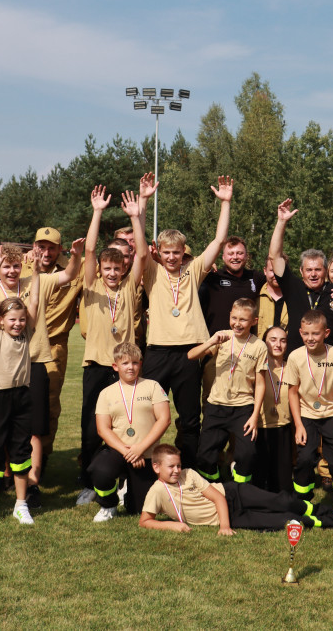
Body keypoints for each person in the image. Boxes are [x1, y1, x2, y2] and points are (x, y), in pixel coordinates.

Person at [0, 237, 83, 505]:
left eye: (16, 266)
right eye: (6, 266)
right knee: (3, 425)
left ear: (22, 267)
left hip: (35, 361)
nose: (11, 271)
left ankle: (32, 482)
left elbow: (70, 274)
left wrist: (75, 254)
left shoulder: (34, 282)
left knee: (34, 427)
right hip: (3, 369)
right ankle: (7, 476)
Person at [140, 175, 233, 467]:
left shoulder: (193, 271)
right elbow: (141, 248)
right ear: (160, 252)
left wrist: (225, 204)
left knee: (191, 418)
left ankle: (189, 468)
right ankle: (144, 467)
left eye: (176, 252)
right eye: (166, 252)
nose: (171, 257)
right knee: (146, 412)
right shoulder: (152, 272)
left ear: (184, 253)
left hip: (191, 352)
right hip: (157, 351)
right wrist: (142, 202)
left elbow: (219, 241)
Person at [76, 185, 147, 505]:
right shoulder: (90, 285)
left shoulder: (131, 287)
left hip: (125, 370)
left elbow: (143, 254)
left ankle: (127, 480)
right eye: (108, 269)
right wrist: (97, 212)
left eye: (118, 268)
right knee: (92, 428)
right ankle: (90, 482)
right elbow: (89, 252)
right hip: (96, 365)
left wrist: (136, 218)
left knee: (129, 423)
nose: (113, 273)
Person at [138, 444, 333, 532]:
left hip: (233, 494)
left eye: (178, 465)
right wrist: (171, 525)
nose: (176, 470)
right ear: (156, 467)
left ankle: (325, 511)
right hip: (232, 517)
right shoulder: (156, 491)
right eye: (171, 466)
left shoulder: (188, 474)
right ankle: (326, 522)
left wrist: (224, 527)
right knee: (284, 521)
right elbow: (145, 521)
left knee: (282, 501)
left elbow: (218, 498)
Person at [0, 251, 41, 526]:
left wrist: (37, 272)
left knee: (20, 452)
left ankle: (20, 504)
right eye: (11, 320)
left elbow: (35, 304)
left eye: (20, 319)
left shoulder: (27, 332)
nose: (17, 324)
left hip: (22, 397)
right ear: (1, 321)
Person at [188, 297, 267, 484]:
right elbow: (191, 355)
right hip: (216, 406)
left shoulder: (259, 346)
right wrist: (211, 342)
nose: (237, 324)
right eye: (234, 318)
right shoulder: (222, 336)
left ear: (254, 321)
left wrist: (255, 416)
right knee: (205, 456)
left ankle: (240, 489)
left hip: (243, 408)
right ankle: (215, 486)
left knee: (247, 454)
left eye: (243, 320)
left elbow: (261, 383)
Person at [89, 343, 171, 522]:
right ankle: (109, 505)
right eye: (125, 363)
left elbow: (164, 419)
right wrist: (129, 452)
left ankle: (126, 489)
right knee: (101, 471)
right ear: (115, 366)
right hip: (120, 451)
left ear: (140, 364)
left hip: (146, 454)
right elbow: (103, 429)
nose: (130, 367)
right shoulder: (106, 393)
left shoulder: (153, 386)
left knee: (139, 509)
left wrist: (140, 448)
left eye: (135, 363)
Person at [25, 225, 84, 462]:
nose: (46, 252)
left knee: (48, 405)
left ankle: (42, 460)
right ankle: (11, 461)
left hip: (53, 346)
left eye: (52, 248)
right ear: (33, 246)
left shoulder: (74, 269)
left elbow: (112, 263)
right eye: (41, 247)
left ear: (60, 248)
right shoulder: (20, 266)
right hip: (21, 345)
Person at [268, 199, 333, 354]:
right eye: (309, 270)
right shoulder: (293, 286)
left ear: (326, 270)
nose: (313, 274)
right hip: (296, 361)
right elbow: (274, 257)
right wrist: (281, 222)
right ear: (301, 271)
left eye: (317, 269)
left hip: (328, 365)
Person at [287, 310, 333, 509]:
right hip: (307, 415)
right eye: (306, 333)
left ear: (326, 332)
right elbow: (292, 392)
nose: (310, 338)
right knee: (305, 457)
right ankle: (302, 501)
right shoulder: (295, 357)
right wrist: (298, 424)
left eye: (315, 333)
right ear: (300, 332)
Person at [252, 326, 293, 493]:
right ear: (264, 343)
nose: (278, 345)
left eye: (283, 340)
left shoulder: (292, 367)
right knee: (259, 478)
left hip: (284, 428)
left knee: (282, 482)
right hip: (260, 428)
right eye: (273, 340)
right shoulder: (256, 368)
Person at [198, 236, 267, 335]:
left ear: (246, 256)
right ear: (223, 257)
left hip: (246, 345)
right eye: (230, 253)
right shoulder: (212, 277)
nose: (235, 257)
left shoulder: (255, 277)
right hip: (216, 344)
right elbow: (187, 268)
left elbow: (276, 276)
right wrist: (203, 262)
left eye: (240, 253)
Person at [256, 257, 288, 338]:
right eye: (272, 270)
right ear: (265, 271)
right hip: (260, 349)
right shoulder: (255, 296)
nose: (276, 275)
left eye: (281, 270)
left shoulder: (295, 298)